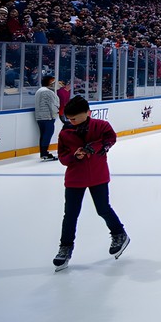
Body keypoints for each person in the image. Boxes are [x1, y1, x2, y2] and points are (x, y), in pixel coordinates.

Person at [52, 96, 129, 271]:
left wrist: (95, 148)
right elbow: (63, 157)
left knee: (103, 208)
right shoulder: (65, 133)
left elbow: (110, 138)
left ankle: (119, 233)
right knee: (70, 214)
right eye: (68, 118)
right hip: (75, 178)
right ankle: (65, 247)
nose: (71, 121)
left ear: (88, 113)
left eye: (74, 118)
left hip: (98, 176)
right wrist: (74, 156)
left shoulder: (101, 126)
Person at [33, 74, 60, 161]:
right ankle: (44, 153)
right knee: (47, 135)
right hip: (47, 116)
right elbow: (52, 105)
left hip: (40, 117)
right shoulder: (47, 92)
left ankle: (43, 152)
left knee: (43, 135)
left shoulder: (40, 90)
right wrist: (55, 113)